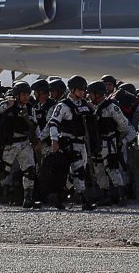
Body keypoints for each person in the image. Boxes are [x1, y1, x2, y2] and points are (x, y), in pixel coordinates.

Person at [44, 75, 96, 210]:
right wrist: (54, 140)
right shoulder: (63, 106)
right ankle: (84, 200)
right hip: (69, 142)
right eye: (80, 89)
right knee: (78, 171)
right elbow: (53, 123)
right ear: (72, 89)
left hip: (82, 143)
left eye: (84, 90)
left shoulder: (84, 104)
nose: (82, 92)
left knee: (76, 173)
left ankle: (58, 196)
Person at [0, 81, 40, 209]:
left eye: (28, 94)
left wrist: (38, 140)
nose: (26, 97)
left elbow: (35, 124)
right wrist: (6, 105)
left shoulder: (30, 108)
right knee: (2, 172)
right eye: (23, 94)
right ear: (17, 95)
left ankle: (28, 199)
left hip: (25, 142)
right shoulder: (9, 104)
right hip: (10, 144)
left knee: (30, 170)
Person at [88, 80, 135, 205]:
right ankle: (105, 196)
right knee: (99, 169)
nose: (89, 96)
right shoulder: (94, 108)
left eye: (91, 94)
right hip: (96, 143)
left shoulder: (111, 107)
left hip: (109, 142)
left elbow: (124, 125)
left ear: (98, 93)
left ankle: (122, 195)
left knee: (112, 168)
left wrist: (119, 139)